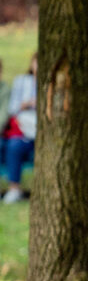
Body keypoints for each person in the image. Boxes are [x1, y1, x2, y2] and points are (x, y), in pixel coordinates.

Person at [4, 53, 37, 204]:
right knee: (14, 146)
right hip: (23, 129)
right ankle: (14, 189)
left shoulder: (55, 84)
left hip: (43, 132)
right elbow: (11, 109)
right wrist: (26, 104)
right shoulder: (21, 81)